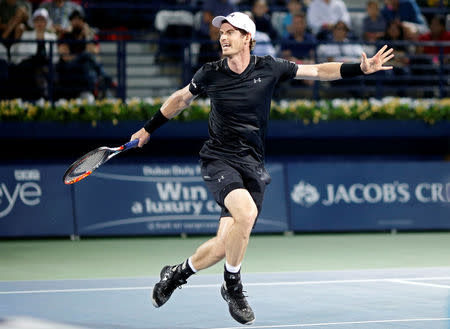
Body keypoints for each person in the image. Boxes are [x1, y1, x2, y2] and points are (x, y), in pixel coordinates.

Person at [130, 12, 394, 325]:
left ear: (248, 39)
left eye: (231, 32)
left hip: (252, 164)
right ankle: (233, 286)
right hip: (219, 158)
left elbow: (319, 71)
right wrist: (149, 128)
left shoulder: (269, 67)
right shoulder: (210, 73)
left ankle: (176, 274)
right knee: (246, 214)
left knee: (223, 245)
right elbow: (180, 100)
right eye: (221, 33)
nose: (224, 38)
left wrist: (359, 68)